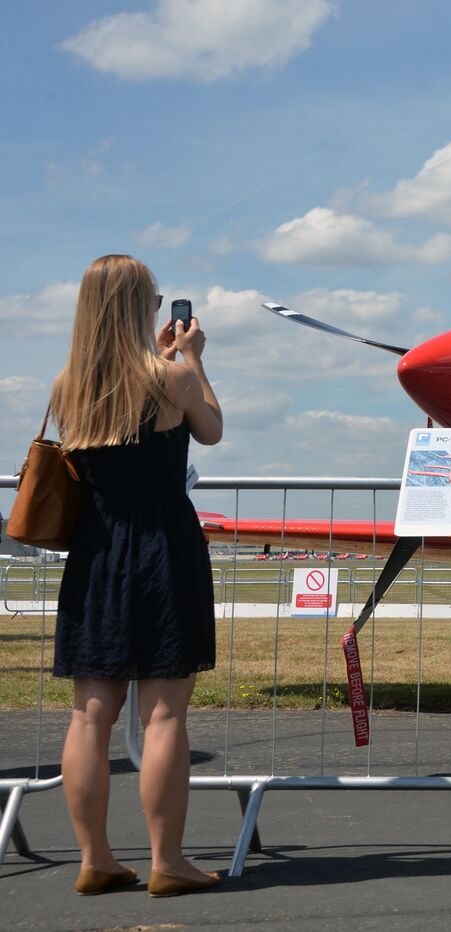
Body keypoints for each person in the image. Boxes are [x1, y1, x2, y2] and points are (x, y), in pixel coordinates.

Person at [49, 255, 224, 897]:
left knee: (89, 714)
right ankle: (167, 861)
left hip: (95, 552)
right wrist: (193, 358)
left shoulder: (67, 385)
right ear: (137, 310)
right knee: (163, 715)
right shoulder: (172, 379)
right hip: (163, 548)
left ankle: (95, 858)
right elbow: (212, 430)